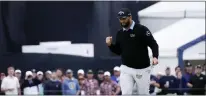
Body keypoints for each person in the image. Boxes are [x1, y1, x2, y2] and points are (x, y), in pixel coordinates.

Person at [106, 8, 159, 95]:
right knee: (126, 93)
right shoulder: (120, 33)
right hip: (126, 68)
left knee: (143, 94)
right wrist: (110, 45)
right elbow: (119, 51)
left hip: (142, 69)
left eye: (124, 18)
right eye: (120, 19)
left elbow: (153, 44)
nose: (122, 21)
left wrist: (155, 57)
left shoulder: (141, 29)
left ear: (130, 17)